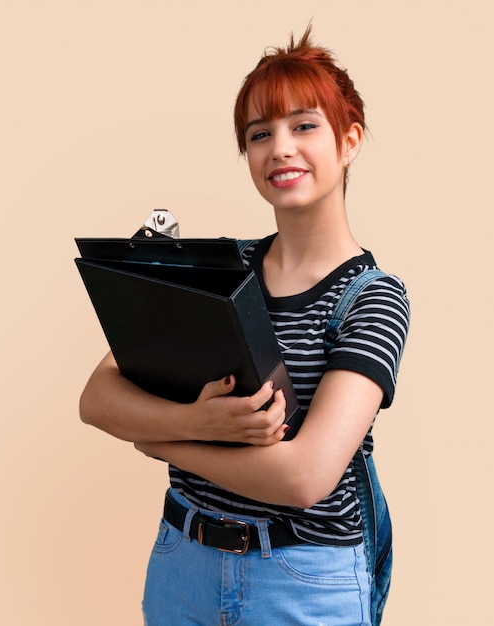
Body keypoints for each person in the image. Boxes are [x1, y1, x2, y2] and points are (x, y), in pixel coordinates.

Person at [80, 25, 410, 626]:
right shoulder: (216, 268)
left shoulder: (372, 298)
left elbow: (306, 477)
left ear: (350, 140)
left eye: (304, 125)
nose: (280, 147)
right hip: (182, 563)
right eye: (260, 134)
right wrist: (193, 421)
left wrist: (160, 439)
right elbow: (98, 397)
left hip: (305, 581)